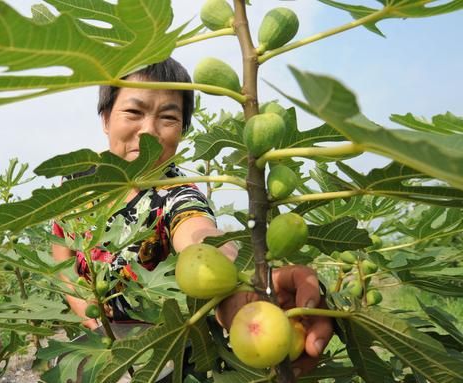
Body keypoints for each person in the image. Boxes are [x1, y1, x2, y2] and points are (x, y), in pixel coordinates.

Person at [51, 58, 333, 377]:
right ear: (106, 118)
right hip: (95, 339)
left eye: (168, 117)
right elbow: (61, 244)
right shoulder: (77, 181)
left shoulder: (180, 195)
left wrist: (244, 283)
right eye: (133, 112)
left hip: (161, 349)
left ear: (183, 130)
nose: (148, 131)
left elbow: (200, 236)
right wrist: (83, 306)